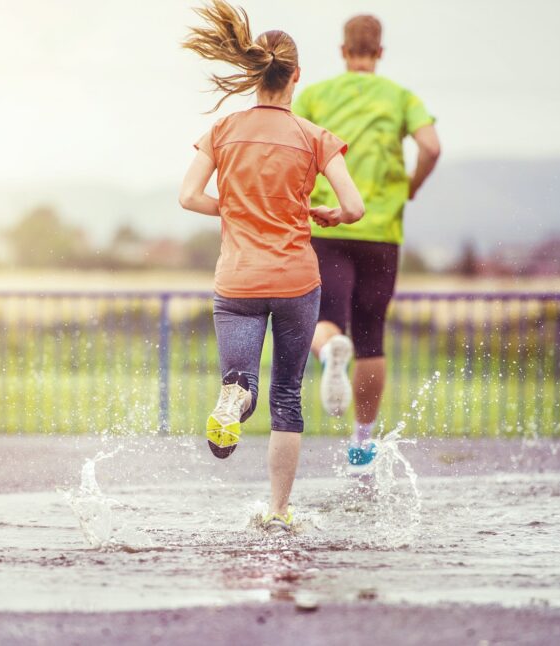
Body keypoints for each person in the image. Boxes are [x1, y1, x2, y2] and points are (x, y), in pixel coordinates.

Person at [179, 0, 365, 532]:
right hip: (295, 279)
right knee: (287, 395)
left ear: (254, 72)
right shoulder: (313, 136)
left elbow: (189, 196)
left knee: (242, 382)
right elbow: (353, 207)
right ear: (296, 77)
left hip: (236, 280)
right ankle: (279, 512)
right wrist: (327, 212)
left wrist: (234, 208)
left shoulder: (223, 130)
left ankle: (234, 398)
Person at [293, 14, 441, 469]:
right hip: (380, 231)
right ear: (379, 53)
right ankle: (361, 442)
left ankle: (329, 354)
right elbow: (431, 146)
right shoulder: (399, 97)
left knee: (325, 320)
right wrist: (410, 186)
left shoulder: (316, 95)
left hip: (327, 224)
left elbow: (294, 147)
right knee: (372, 337)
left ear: (342, 51)